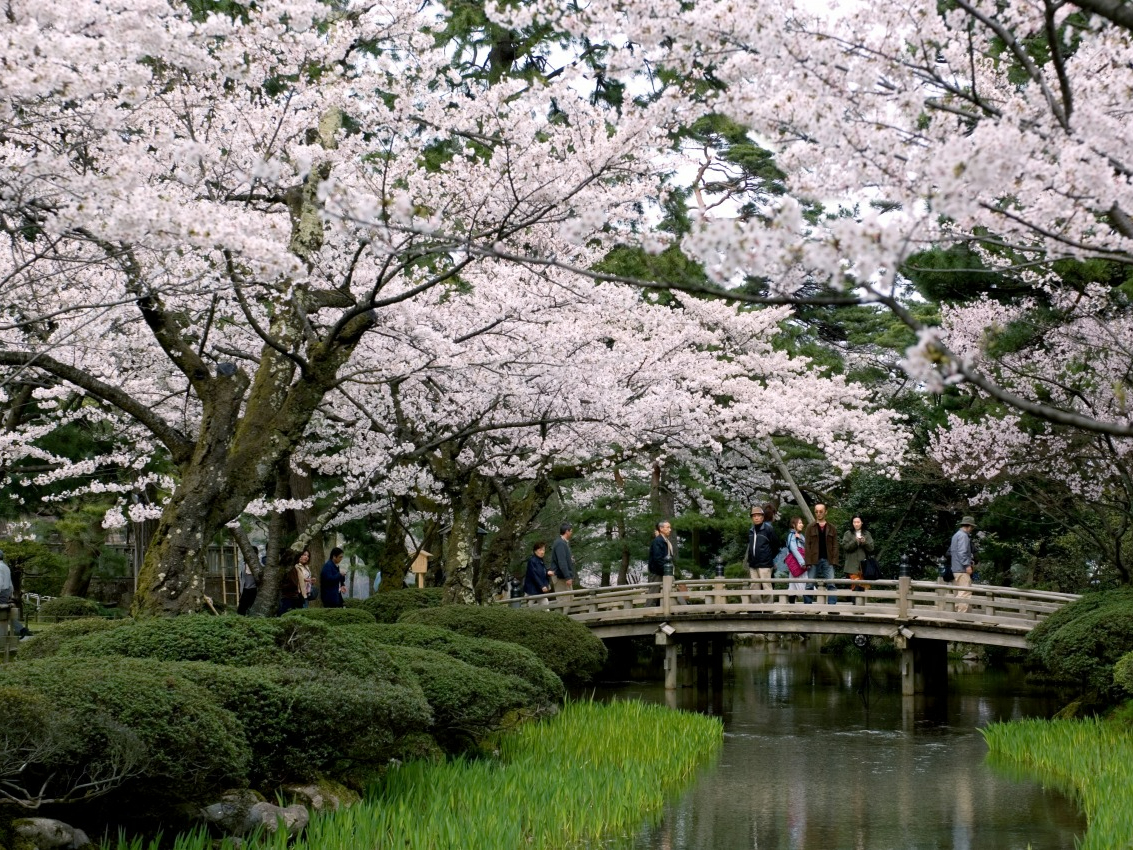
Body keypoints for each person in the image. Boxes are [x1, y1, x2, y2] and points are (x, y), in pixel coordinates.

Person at [743, 505, 781, 604]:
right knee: (754, 586)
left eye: (758, 515)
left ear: (763, 517)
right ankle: (756, 608)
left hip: (765, 563)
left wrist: (768, 557)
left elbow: (776, 545)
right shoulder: (751, 531)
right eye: (754, 516)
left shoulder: (768, 530)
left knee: (766, 586)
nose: (756, 517)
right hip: (753, 564)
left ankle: (768, 608)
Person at [804, 504, 840, 605]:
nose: (818, 514)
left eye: (821, 511)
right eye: (816, 511)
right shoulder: (810, 527)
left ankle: (832, 607)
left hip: (828, 559)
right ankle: (808, 607)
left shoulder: (831, 528)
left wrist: (834, 560)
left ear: (825, 512)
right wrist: (808, 561)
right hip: (814, 559)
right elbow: (807, 545)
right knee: (809, 584)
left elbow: (835, 545)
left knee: (831, 584)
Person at [841, 516, 876, 597]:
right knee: (855, 586)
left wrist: (864, 542)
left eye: (858, 522)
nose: (856, 524)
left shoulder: (867, 533)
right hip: (852, 565)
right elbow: (846, 547)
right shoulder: (848, 533)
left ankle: (862, 606)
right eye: (854, 522)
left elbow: (871, 548)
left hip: (864, 565)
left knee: (863, 587)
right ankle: (855, 605)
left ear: (862, 522)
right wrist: (855, 541)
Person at [0, 549, 30, 639]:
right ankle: (22, 630)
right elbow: (10, 584)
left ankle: (21, 630)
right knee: (6, 614)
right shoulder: (5, 566)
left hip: (1, 593)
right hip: (6, 592)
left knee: (4, 614)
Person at [950, 516, 977, 614]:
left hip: (955, 568)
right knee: (965, 592)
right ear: (969, 526)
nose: (972, 530)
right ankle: (961, 614)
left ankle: (958, 612)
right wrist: (967, 565)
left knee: (960, 592)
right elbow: (962, 552)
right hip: (962, 569)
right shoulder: (963, 536)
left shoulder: (956, 535)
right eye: (972, 527)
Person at [647, 520, 675, 606]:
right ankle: (647, 611)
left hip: (666, 570)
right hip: (659, 571)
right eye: (668, 527)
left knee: (672, 589)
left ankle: (682, 609)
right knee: (654, 591)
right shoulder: (658, 541)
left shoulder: (665, 540)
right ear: (661, 529)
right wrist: (665, 570)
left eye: (670, 527)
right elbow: (657, 558)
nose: (670, 529)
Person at [785, 516, 808, 603]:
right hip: (798, 564)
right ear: (793, 525)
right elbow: (793, 549)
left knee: (793, 584)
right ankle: (807, 606)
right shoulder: (792, 535)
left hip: (796, 564)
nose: (802, 525)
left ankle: (791, 606)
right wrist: (802, 562)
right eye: (799, 523)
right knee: (804, 583)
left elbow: (807, 547)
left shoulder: (800, 535)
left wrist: (801, 538)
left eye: (802, 523)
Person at [548, 523, 575, 593]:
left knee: (570, 600)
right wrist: (568, 577)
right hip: (560, 578)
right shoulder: (560, 543)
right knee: (564, 600)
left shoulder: (563, 543)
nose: (572, 533)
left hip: (564, 577)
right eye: (571, 531)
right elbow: (562, 562)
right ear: (567, 531)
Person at [278, 550, 305, 615]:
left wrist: (281, 586)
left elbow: (293, 583)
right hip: (290, 596)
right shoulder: (291, 568)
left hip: (289, 597)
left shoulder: (291, 569)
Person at [237, 546, 260, 615]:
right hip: (245, 590)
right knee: (241, 610)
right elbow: (242, 579)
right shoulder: (244, 565)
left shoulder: (258, 565)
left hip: (254, 590)